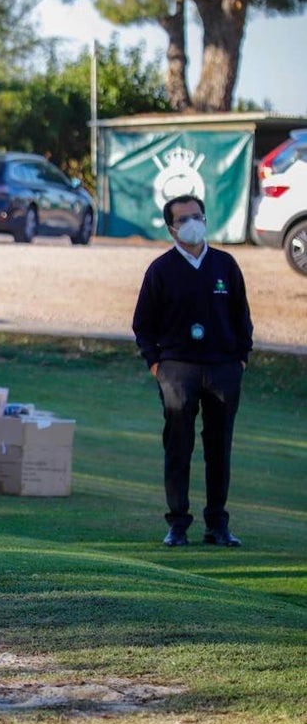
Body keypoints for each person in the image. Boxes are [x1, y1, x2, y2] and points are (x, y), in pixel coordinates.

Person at [132, 194, 253, 548]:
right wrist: (156, 363)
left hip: (223, 369)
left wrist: (240, 359)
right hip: (177, 369)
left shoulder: (225, 265)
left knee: (219, 449)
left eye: (198, 216)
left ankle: (217, 524)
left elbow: (241, 316)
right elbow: (143, 324)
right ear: (171, 227)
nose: (193, 223)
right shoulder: (161, 269)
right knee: (178, 446)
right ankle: (178, 524)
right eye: (184, 219)